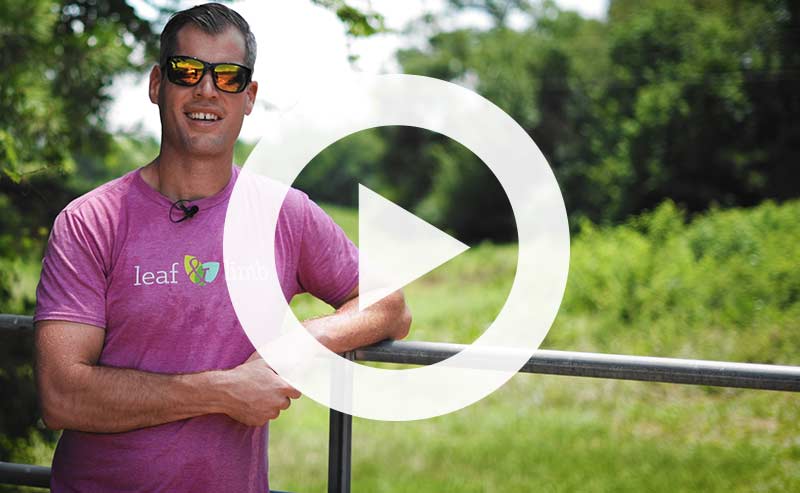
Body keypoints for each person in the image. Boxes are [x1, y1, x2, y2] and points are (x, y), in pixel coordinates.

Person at [32, 3, 411, 492]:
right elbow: (62, 396)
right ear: (156, 84)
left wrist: (300, 341)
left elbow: (391, 304)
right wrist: (224, 392)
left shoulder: (283, 215)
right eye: (187, 71)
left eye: (228, 76)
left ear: (249, 96)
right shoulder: (91, 222)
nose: (206, 90)